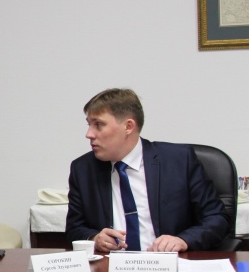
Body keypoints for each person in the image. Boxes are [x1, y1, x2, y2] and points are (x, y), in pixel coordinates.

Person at [65, 88, 229, 252]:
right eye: (89, 125)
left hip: (168, 262)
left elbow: (217, 218)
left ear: (128, 126)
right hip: (110, 264)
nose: (89, 134)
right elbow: (74, 228)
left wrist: (183, 240)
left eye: (98, 125)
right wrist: (94, 238)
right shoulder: (83, 169)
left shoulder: (179, 161)